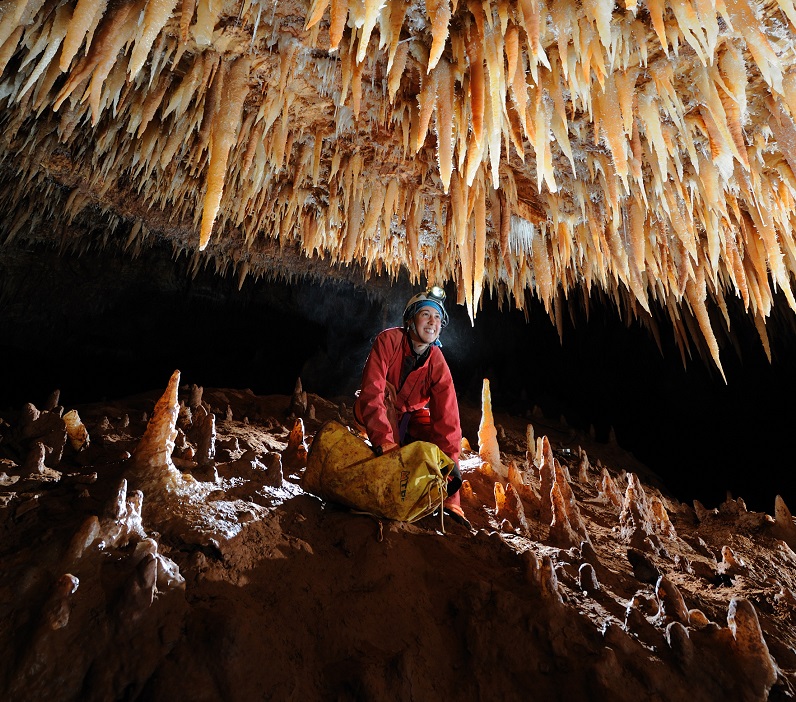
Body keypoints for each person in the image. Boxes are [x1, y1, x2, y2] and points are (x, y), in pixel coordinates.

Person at [353, 286, 467, 523]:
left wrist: (450, 476)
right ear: (411, 320)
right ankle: (389, 469)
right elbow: (371, 391)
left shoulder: (437, 361)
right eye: (425, 314)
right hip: (375, 413)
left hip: (410, 417)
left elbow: (448, 420)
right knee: (384, 392)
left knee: (438, 449)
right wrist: (385, 443)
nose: (432, 322)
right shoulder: (388, 340)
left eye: (437, 317)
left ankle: (442, 500)